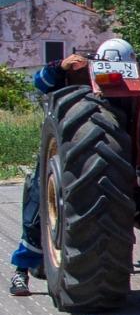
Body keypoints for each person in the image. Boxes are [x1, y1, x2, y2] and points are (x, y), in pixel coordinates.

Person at [10, 51, 93, 296]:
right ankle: (22, 269)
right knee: (39, 202)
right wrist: (60, 67)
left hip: (85, 162)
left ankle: (21, 270)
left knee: (39, 204)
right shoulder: (62, 80)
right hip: (65, 155)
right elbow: (41, 81)